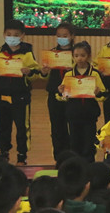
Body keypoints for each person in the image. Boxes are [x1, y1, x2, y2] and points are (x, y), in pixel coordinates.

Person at [0, 19, 40, 165]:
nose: (12, 37)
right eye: (9, 34)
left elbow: (36, 74)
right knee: (3, 125)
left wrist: (29, 72)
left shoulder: (27, 53)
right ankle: (4, 152)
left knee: (22, 126)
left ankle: (22, 155)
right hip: (2, 95)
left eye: (16, 35)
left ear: (22, 36)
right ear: (4, 34)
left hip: (21, 96)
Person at [58, 41, 106, 162]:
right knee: (74, 141)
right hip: (73, 114)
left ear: (89, 56)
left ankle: (89, 163)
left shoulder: (94, 74)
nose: (79, 58)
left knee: (89, 141)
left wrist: (98, 93)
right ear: (73, 56)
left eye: (83, 55)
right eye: (76, 55)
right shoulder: (69, 75)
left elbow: (103, 95)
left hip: (89, 114)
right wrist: (61, 92)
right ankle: (76, 164)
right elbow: (63, 97)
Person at [41, 21, 75, 161]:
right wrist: (44, 72)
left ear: (72, 36)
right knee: (57, 126)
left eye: (65, 35)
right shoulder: (52, 54)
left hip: (73, 94)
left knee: (73, 125)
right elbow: (44, 76)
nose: (61, 38)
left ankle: (73, 155)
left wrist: (73, 68)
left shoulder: (78, 53)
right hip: (54, 93)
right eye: (59, 35)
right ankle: (59, 156)